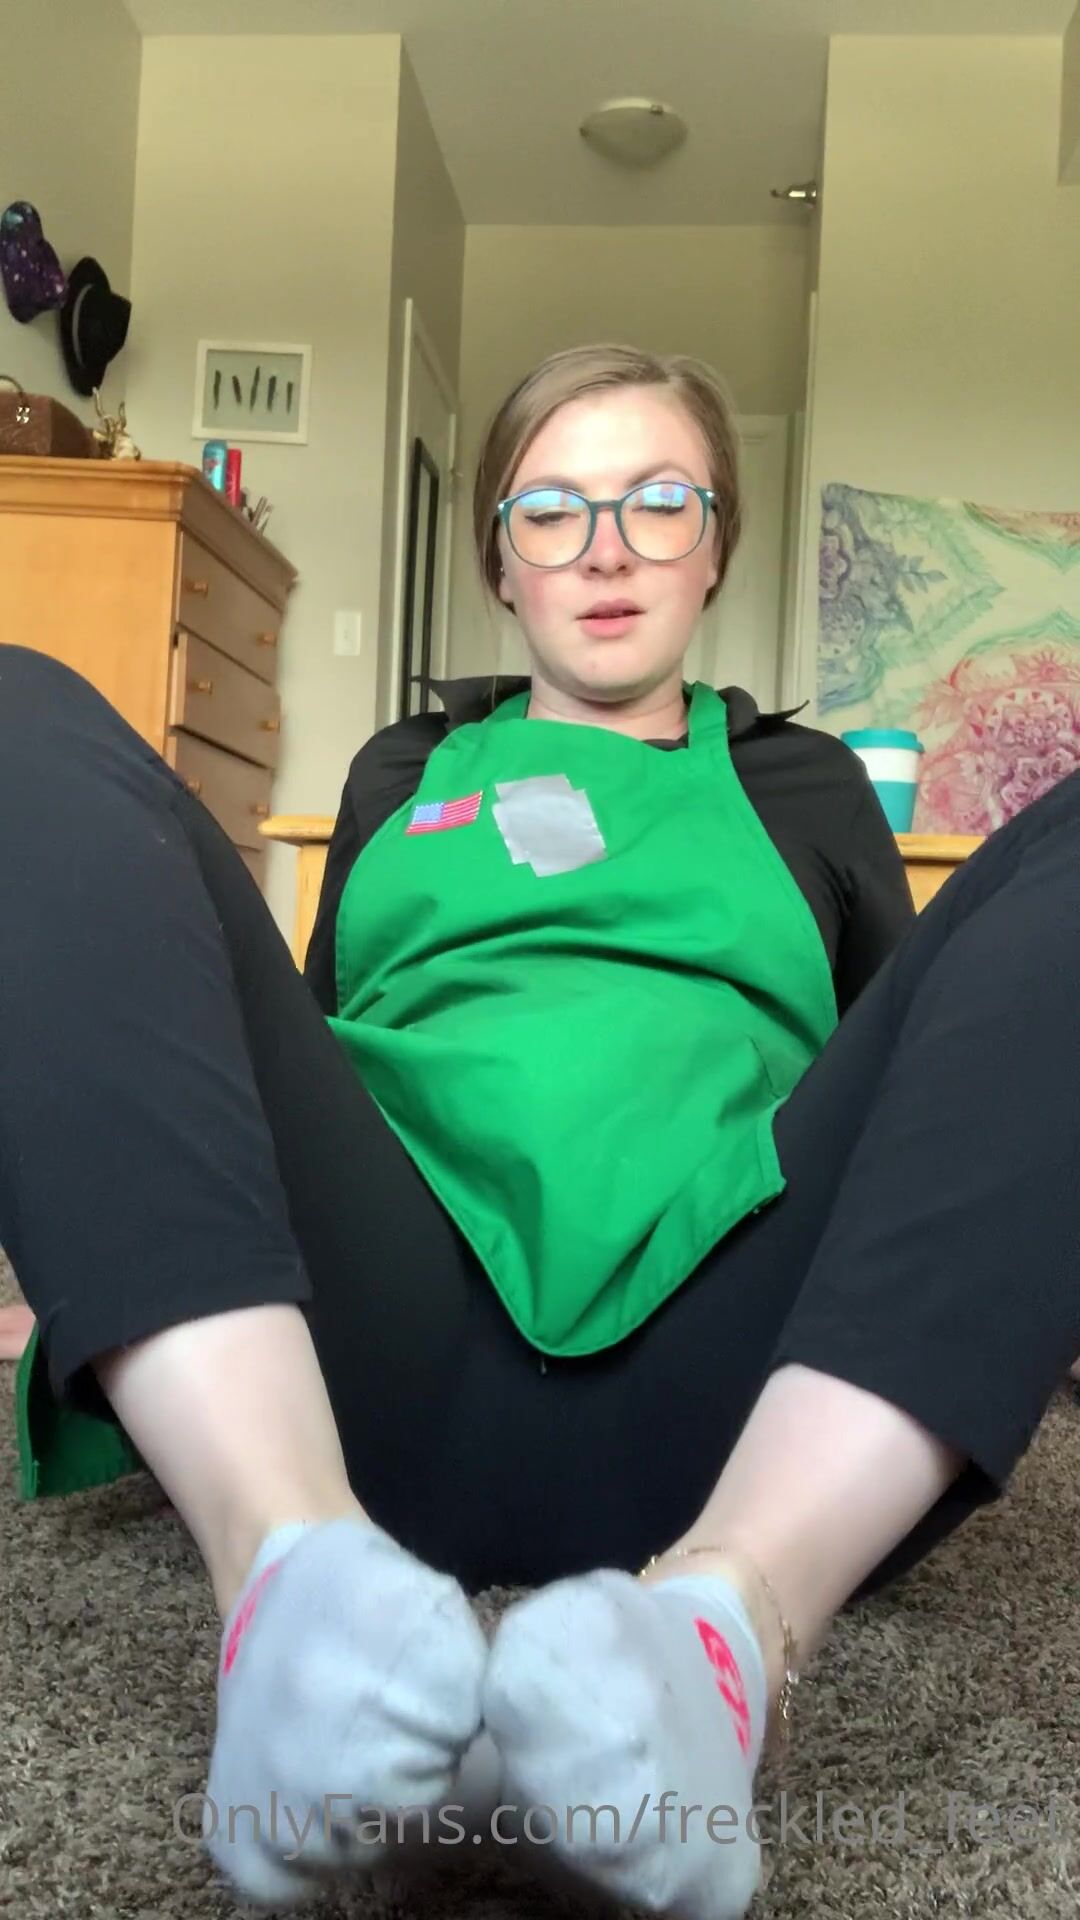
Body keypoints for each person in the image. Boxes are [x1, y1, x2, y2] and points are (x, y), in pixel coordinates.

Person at [2, 341, 1078, 1920]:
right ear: (500, 562)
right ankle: (285, 1575)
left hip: (743, 1386)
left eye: (659, 501)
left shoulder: (812, 785)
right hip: (374, 1364)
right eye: (554, 509)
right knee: (17, 708)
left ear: (717, 545)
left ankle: (727, 1630)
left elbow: (932, 1105)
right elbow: (268, 1064)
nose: (607, 548)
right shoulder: (398, 768)